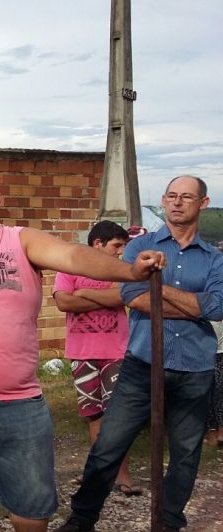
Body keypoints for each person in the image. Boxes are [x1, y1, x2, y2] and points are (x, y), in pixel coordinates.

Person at [0, 166, 164, 532]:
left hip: (17, 402)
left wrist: (130, 271)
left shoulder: (21, 241)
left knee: (30, 507)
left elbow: (73, 256)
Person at [58, 175, 223, 532]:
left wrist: (160, 289)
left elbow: (216, 308)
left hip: (194, 368)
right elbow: (132, 297)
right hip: (142, 362)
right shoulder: (139, 248)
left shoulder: (213, 258)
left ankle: (168, 522)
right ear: (163, 200)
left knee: (186, 454)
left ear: (203, 204)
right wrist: (191, 303)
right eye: (171, 196)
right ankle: (82, 518)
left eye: (186, 197)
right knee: (109, 445)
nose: (177, 203)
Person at [52, 221, 142, 496]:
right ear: (98, 244)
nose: (120, 252)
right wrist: (107, 298)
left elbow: (123, 296)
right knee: (94, 416)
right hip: (82, 354)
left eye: (123, 247)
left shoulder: (121, 270)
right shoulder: (70, 267)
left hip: (116, 352)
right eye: (116, 246)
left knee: (118, 416)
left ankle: (123, 475)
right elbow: (64, 302)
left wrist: (85, 293)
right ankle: (100, 475)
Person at [206, 320, 223, 446]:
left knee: (218, 392)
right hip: (207, 352)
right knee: (209, 392)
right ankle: (212, 432)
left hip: (220, 352)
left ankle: (221, 432)